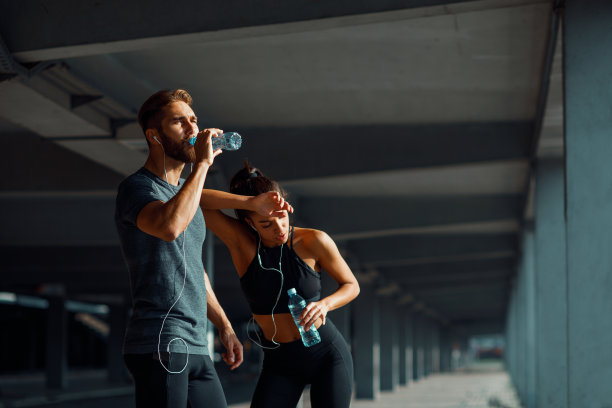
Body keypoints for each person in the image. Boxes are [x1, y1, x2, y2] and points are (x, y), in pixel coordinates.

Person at [114, 89, 293, 408]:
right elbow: (169, 227)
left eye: (193, 121)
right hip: (161, 339)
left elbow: (193, 269)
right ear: (154, 136)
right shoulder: (137, 188)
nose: (192, 129)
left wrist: (224, 327)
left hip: (196, 343)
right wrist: (203, 164)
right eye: (178, 122)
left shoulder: (188, 195)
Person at [203, 162, 360, 408]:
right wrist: (249, 203)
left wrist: (324, 305)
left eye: (282, 217)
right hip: (279, 361)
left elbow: (351, 285)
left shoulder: (314, 240)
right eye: (266, 224)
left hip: (326, 355)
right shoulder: (241, 243)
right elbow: (195, 200)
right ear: (250, 224)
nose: (279, 229)